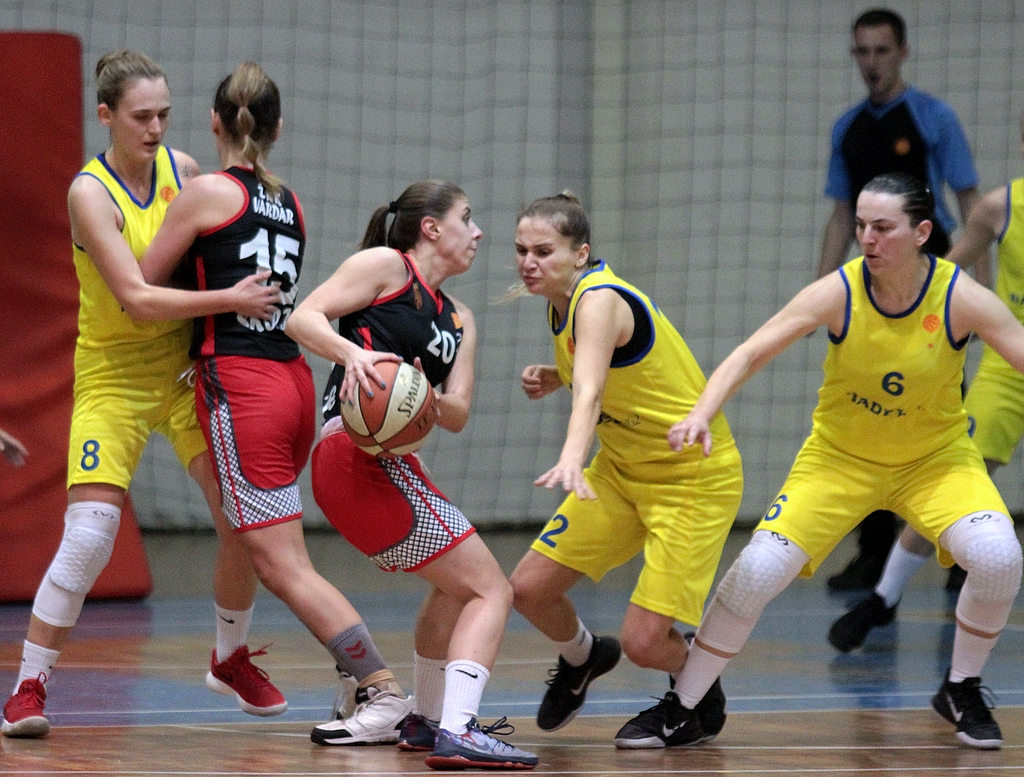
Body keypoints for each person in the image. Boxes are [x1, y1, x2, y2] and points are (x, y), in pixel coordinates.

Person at [669, 172, 1024, 750]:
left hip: (936, 464)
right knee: (757, 571)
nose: (867, 239)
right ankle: (682, 705)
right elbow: (750, 352)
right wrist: (701, 412)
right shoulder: (839, 290)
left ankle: (961, 687)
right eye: (860, 226)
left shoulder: (960, 296)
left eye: (882, 227)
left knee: (1000, 556)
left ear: (921, 233)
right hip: (838, 462)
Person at [1, 51, 285, 739]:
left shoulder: (184, 170)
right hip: (114, 377)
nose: (156, 128)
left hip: (186, 373)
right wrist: (232, 299)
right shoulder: (89, 193)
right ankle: (29, 686)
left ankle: (229, 656)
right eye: (140, 117)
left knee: (243, 520)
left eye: (164, 114)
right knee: (89, 537)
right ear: (106, 116)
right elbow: (135, 298)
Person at [137, 62, 418, 747]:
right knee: (246, 531)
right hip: (292, 380)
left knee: (282, 562)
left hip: (242, 385)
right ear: (278, 129)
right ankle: (236, 658)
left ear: (213, 122)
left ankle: (379, 688)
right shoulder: (289, 202)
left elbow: (143, 285)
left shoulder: (205, 192)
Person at [285, 181, 538, 770]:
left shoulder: (460, 317)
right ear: (431, 228)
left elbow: (458, 414)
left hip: (388, 465)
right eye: (467, 218)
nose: (478, 232)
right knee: (492, 590)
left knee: (455, 588)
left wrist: (423, 394)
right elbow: (303, 318)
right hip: (354, 455)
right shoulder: (385, 267)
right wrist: (354, 356)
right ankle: (460, 728)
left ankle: (425, 719)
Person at [507, 193, 742, 749]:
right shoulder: (560, 303)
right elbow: (604, 367)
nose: (528, 262)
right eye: (521, 250)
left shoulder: (598, 299)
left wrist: (571, 454)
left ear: (580, 252)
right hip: (622, 471)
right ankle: (584, 656)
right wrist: (557, 375)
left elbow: (591, 391)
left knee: (644, 643)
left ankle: (692, 689)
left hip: (690, 480)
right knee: (527, 590)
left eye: (543, 251)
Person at [829, 113, 1024, 652]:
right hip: (1009, 366)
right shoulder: (1000, 207)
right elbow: (942, 273)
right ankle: (884, 596)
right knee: (955, 476)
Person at [817, 8, 981, 592]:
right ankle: (872, 555)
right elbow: (843, 215)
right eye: (862, 51)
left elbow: (973, 208)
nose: (872, 62)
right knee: (866, 416)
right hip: (870, 297)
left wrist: (973, 292)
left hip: (932, 288)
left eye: (881, 51)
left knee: (941, 413)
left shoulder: (933, 118)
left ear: (903, 52)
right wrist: (819, 290)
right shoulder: (848, 128)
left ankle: (963, 553)